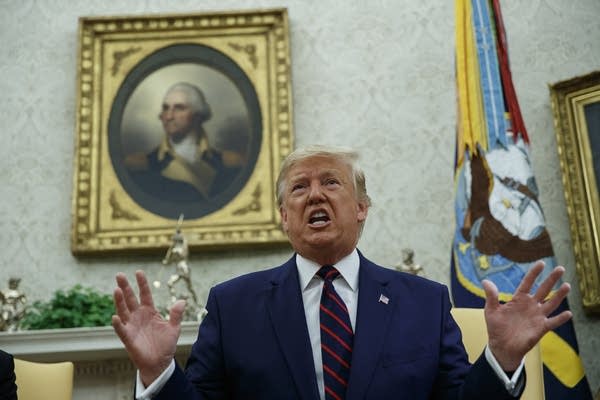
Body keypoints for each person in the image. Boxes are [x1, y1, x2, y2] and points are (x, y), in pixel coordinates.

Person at [112, 145, 572, 400]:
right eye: (299, 188)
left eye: (330, 183)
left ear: (361, 208)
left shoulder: (424, 302)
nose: (315, 195)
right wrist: (158, 373)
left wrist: (501, 361)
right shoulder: (232, 305)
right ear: (283, 218)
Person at [125, 82, 243, 202]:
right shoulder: (141, 166)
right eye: (166, 108)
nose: (169, 116)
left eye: (179, 108)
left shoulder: (228, 163)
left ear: (197, 115)